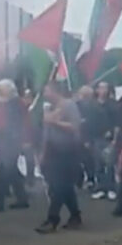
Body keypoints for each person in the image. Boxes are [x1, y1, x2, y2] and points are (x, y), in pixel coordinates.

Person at [36, 81, 83, 233]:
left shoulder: (69, 105)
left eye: (47, 91)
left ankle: (52, 219)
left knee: (59, 186)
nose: (44, 94)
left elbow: (75, 127)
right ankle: (75, 216)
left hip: (68, 151)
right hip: (53, 151)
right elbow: (46, 133)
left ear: (55, 91)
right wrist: (43, 153)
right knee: (64, 186)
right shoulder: (49, 108)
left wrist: (56, 122)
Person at [0, 79, 30, 212]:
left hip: (12, 141)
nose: (0, 91)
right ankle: (22, 198)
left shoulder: (18, 105)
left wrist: (24, 141)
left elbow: (24, 123)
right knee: (11, 170)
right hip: (2, 140)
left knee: (5, 171)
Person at [90, 82, 118, 201]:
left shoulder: (113, 105)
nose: (102, 90)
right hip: (96, 138)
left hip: (109, 139)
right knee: (98, 164)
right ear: (96, 90)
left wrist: (115, 139)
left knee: (110, 164)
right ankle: (101, 188)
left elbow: (117, 124)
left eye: (105, 87)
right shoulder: (92, 105)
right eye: (100, 87)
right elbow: (88, 123)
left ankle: (111, 189)